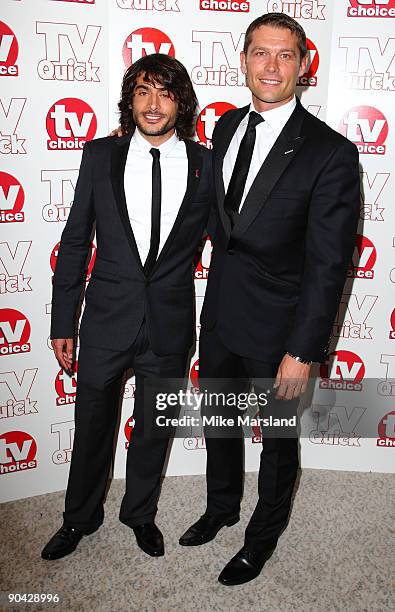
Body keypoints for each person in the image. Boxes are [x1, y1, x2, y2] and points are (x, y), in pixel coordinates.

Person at [179, 13, 360, 585]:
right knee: (219, 422)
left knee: (278, 443)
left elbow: (329, 265)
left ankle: (262, 537)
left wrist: (303, 352)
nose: (272, 66)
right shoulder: (228, 127)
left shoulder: (330, 152)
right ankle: (222, 506)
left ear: (304, 64)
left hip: (283, 330)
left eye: (286, 55)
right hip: (223, 314)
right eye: (261, 53)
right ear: (244, 60)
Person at [41, 53, 212, 561]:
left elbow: (229, 242)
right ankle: (78, 519)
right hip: (105, 320)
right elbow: (75, 244)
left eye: (164, 92)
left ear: (181, 101)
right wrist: (60, 322)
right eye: (142, 91)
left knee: (154, 429)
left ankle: (139, 514)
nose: (153, 104)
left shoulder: (206, 165)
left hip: (170, 323)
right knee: (92, 425)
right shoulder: (99, 157)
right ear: (129, 101)